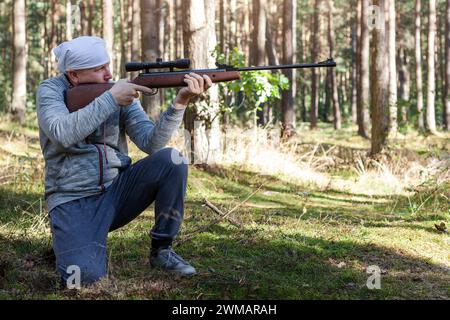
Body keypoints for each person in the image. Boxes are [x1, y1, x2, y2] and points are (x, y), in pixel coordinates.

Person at [36, 36, 212, 285]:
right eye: (99, 69)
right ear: (74, 76)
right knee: (82, 280)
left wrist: (180, 102)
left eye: (108, 65)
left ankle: (162, 250)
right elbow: (62, 134)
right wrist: (110, 100)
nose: (109, 74)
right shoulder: (50, 91)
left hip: (117, 192)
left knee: (172, 159)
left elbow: (150, 143)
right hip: (72, 201)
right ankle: (74, 241)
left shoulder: (117, 91)